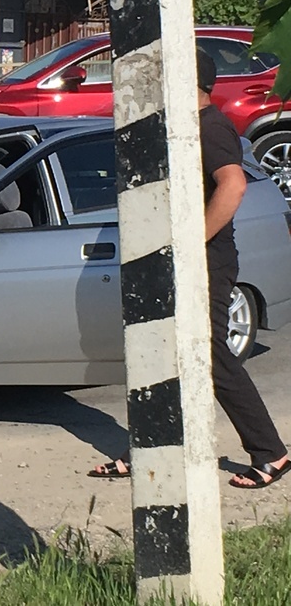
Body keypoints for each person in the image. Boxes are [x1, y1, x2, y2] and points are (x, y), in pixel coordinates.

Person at [89, 49, 290, 489]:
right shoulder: (180, 127)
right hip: (179, 258)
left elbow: (233, 185)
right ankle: (148, 451)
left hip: (207, 261)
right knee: (161, 353)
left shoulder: (212, 126)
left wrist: (191, 242)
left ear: (186, 81)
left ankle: (271, 452)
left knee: (212, 355)